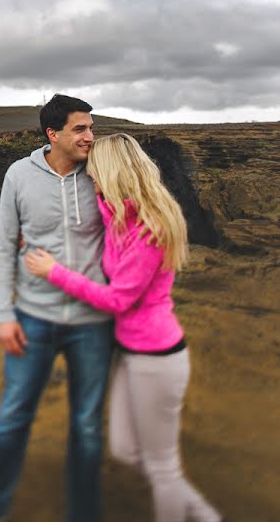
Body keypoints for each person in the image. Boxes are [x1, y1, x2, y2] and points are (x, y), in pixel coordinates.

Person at [23, 133, 223, 522]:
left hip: (157, 357)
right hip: (133, 354)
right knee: (125, 449)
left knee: (163, 469)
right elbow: (86, 219)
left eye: (96, 174)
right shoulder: (120, 217)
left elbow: (118, 300)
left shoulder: (150, 231)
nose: (91, 181)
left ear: (114, 174)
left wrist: (55, 272)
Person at [0, 94, 114, 522]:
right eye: (80, 129)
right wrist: (3, 314)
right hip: (33, 316)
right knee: (13, 416)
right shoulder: (19, 175)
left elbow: (129, 230)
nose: (90, 136)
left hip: (93, 321)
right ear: (53, 134)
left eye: (91, 127)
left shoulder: (102, 172)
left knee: (87, 427)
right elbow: (2, 245)